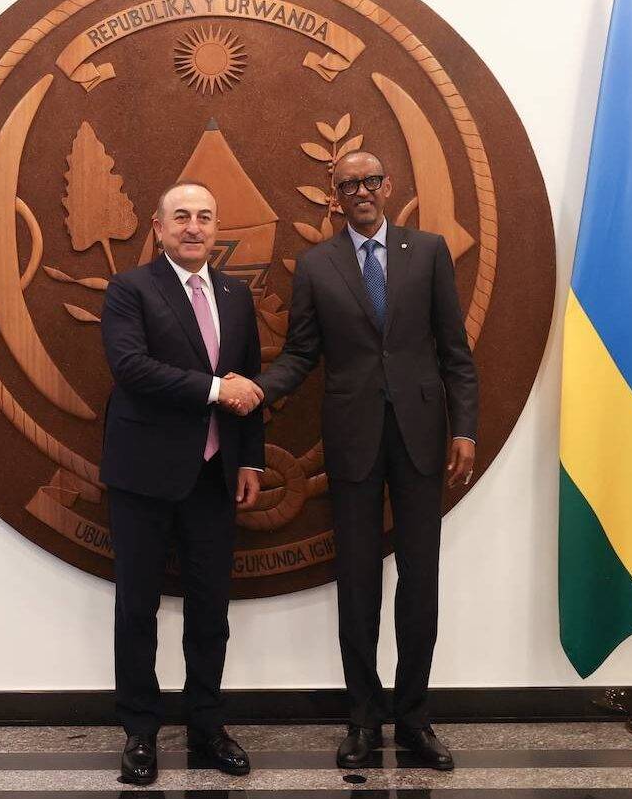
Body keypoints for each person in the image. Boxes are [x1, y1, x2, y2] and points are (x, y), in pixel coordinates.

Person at [247, 151, 478, 770]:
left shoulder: (427, 252)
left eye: (370, 181)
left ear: (388, 186)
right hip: (350, 439)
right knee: (357, 582)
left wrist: (467, 431)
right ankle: (362, 719)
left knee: (420, 580)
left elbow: (455, 351)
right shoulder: (316, 266)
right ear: (334, 193)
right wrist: (259, 389)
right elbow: (300, 354)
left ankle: (414, 719)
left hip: (422, 436)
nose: (361, 191)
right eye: (348, 183)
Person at [100, 181, 266, 785]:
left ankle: (207, 727)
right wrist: (216, 389)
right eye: (181, 217)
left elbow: (249, 384)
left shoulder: (236, 294)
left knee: (210, 611)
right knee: (137, 608)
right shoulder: (129, 289)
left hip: (214, 477)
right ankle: (140, 732)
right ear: (159, 226)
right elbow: (131, 369)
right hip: (143, 476)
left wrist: (251, 460)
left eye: (204, 216)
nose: (193, 226)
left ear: (216, 226)